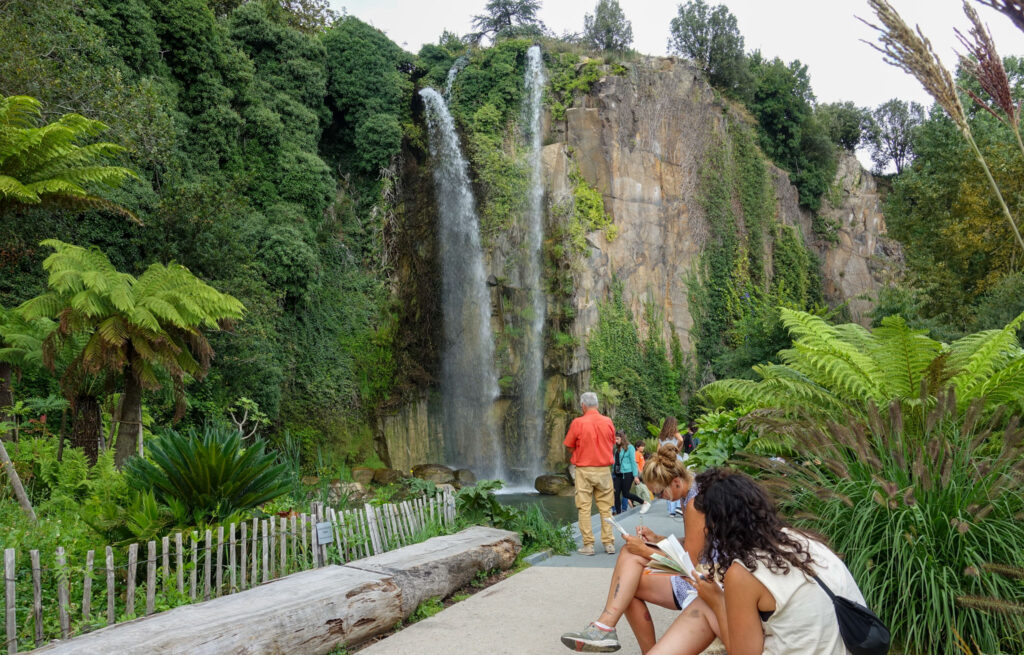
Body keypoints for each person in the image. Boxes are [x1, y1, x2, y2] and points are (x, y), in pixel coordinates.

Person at [646, 468, 869, 655]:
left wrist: (715, 599)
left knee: (706, 605)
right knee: (707, 606)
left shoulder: (744, 573)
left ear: (718, 527)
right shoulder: (804, 542)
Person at [560, 443, 704, 653]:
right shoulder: (689, 492)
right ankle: (606, 628)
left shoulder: (694, 502)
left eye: (661, 493)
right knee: (628, 575)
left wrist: (644, 550)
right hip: (702, 570)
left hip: (703, 580)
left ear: (675, 481)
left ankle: (607, 629)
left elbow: (691, 563)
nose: (661, 497)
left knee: (628, 583)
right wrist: (657, 538)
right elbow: (697, 541)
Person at [563, 391, 616, 555]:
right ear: (598, 405)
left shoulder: (578, 423)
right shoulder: (608, 421)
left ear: (583, 406)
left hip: (584, 470)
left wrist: (580, 451)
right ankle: (609, 544)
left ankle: (588, 545)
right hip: (604, 471)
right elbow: (612, 443)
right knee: (606, 508)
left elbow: (569, 445)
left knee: (584, 508)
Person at [612, 431, 649, 515]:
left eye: (617, 439)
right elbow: (614, 461)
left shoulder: (630, 447)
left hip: (627, 473)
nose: (615, 440)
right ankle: (618, 513)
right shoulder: (616, 449)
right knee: (616, 494)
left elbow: (633, 462)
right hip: (617, 474)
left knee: (626, 493)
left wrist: (635, 476)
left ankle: (644, 502)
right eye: (615, 439)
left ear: (622, 438)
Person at [657, 418, 685, 517]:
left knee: (668, 482)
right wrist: (675, 448)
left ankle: (671, 511)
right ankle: (678, 506)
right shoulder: (674, 433)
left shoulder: (661, 435)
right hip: (675, 458)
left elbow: (658, 449)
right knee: (678, 481)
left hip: (665, 460)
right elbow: (681, 439)